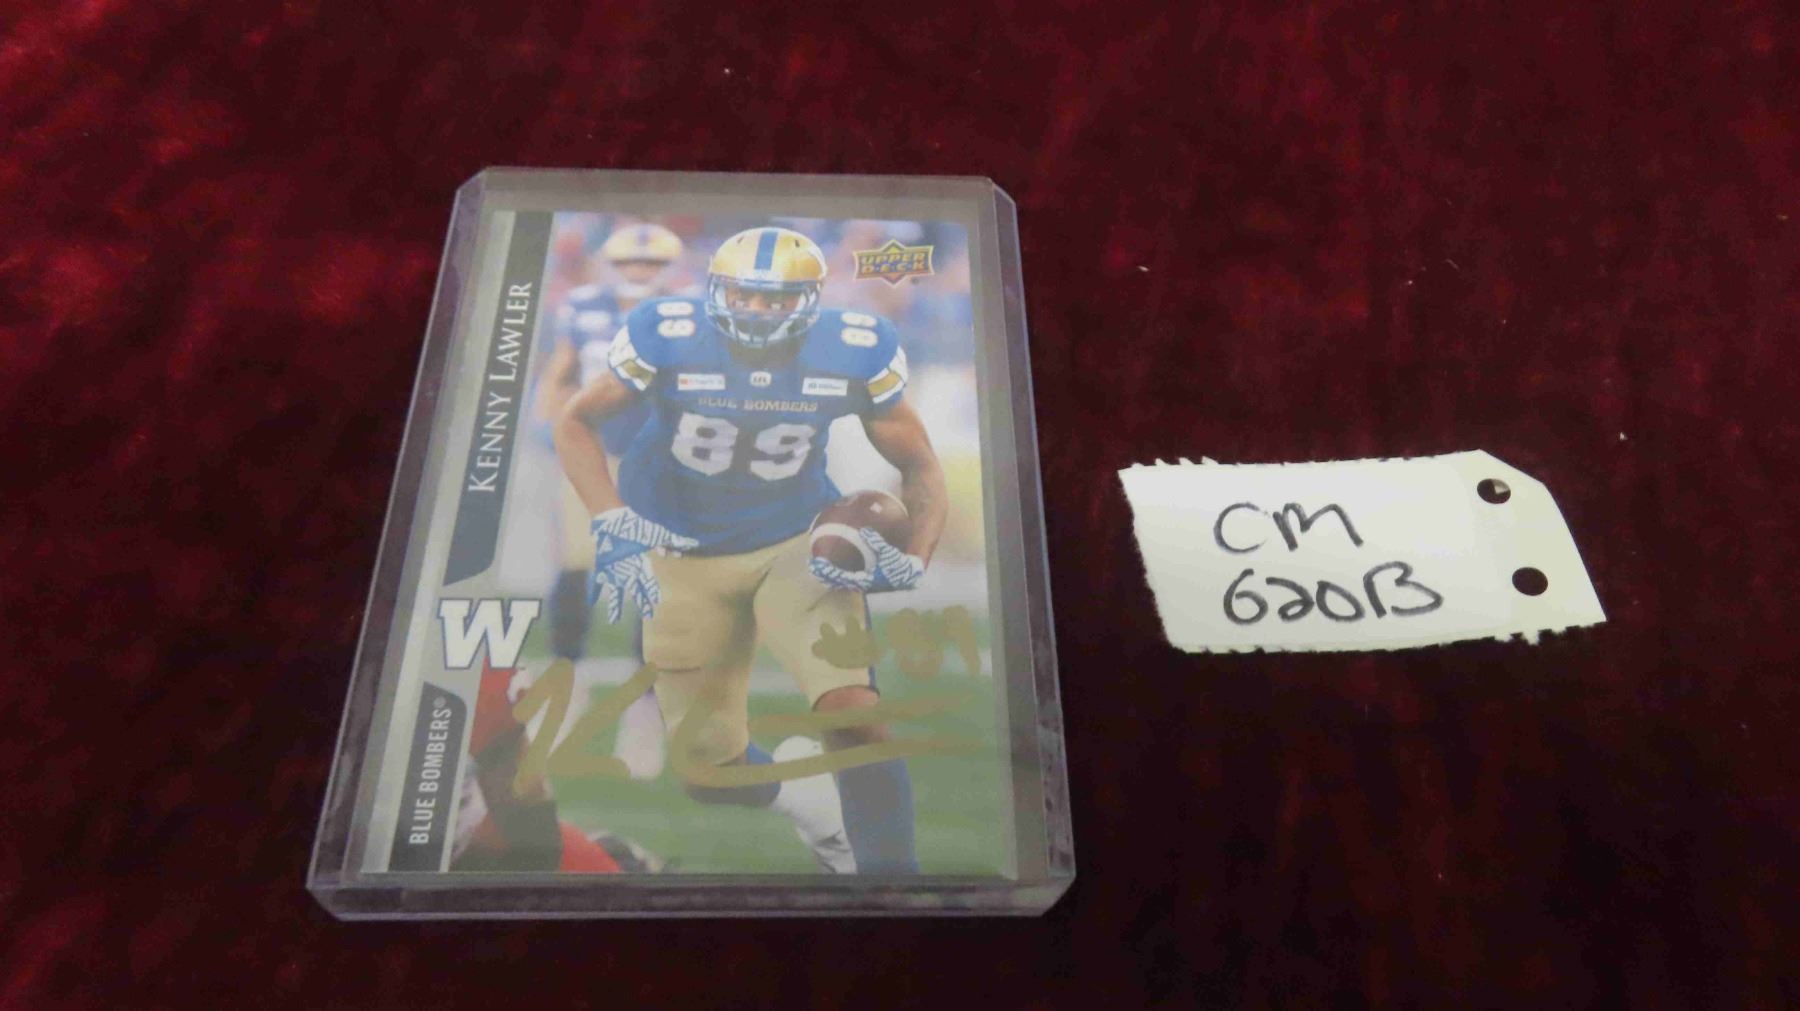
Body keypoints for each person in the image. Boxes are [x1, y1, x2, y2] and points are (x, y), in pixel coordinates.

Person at [553, 226, 948, 873]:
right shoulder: (668, 331)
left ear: (810, 300)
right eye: (743, 295)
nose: (757, 310)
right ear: (717, 291)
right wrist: (610, 516)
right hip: (680, 552)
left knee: (853, 713)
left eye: (776, 298)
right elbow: (575, 420)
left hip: (796, 542)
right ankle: (807, 800)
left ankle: (896, 887)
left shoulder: (853, 346)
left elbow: (921, 465)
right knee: (708, 772)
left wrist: (918, 557)